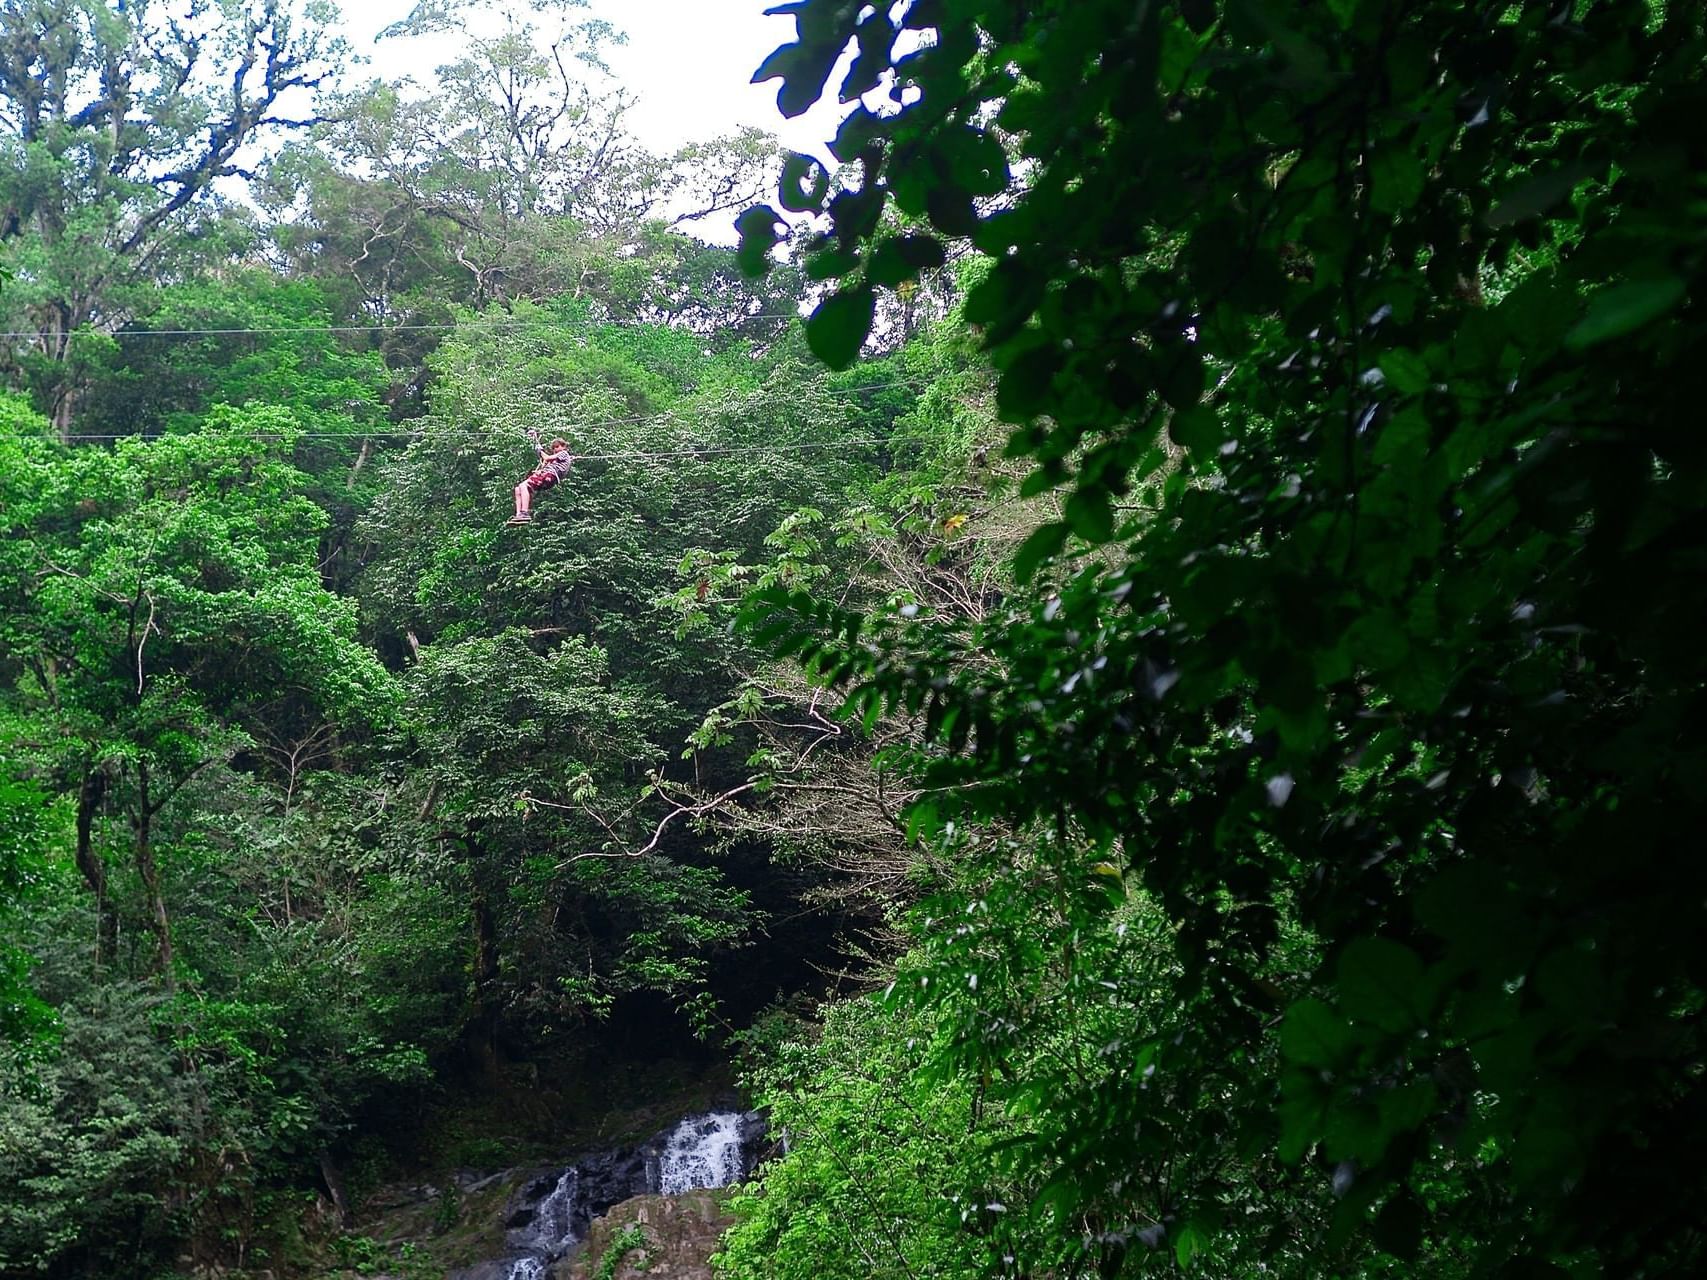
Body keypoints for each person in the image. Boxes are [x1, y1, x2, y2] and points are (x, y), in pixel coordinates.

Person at [509, 433, 575, 524]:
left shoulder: (564, 453)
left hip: (550, 476)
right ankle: (519, 515)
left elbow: (546, 457)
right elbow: (545, 462)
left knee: (524, 485)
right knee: (518, 488)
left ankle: (525, 512)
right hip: (547, 476)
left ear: (563, 446)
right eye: (553, 448)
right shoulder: (554, 459)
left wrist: (539, 449)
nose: (555, 450)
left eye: (557, 447)